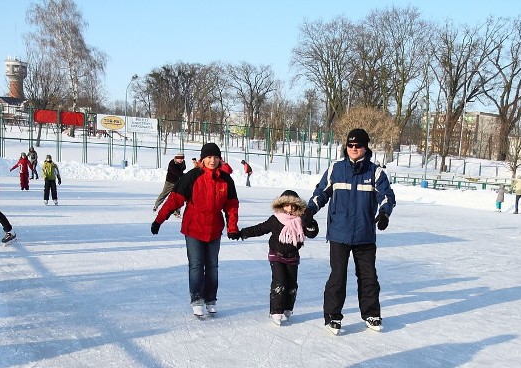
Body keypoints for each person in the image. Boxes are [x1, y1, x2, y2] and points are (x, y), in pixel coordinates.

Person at [305, 128, 396, 334]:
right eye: (351, 145)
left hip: (364, 234)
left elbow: (387, 196)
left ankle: (372, 313)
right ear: (346, 147)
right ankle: (333, 315)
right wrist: (310, 209)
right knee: (338, 276)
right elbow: (321, 193)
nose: (354, 149)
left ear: (366, 148)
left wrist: (384, 213)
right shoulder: (336, 169)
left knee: (368, 276)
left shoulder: (375, 172)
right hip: (339, 233)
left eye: (358, 145)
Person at [151, 142, 239, 317]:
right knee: (197, 265)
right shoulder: (192, 176)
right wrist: (159, 220)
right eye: (208, 157)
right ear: (202, 159)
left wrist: (232, 227)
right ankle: (197, 299)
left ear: (220, 159)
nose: (212, 160)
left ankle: (211, 299)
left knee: (213, 266)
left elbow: (231, 206)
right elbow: (174, 200)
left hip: (214, 228)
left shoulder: (226, 179)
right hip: (194, 229)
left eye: (215, 157)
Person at [234, 190, 319, 325]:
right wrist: (242, 233)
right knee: (279, 283)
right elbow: (260, 229)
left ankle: (287, 308)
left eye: (293, 206)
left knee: (292, 285)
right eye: (287, 205)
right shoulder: (276, 219)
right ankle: (276, 311)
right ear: (281, 206)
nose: (290, 209)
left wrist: (310, 223)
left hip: (292, 257)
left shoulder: (301, 220)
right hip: (276, 255)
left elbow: (312, 233)